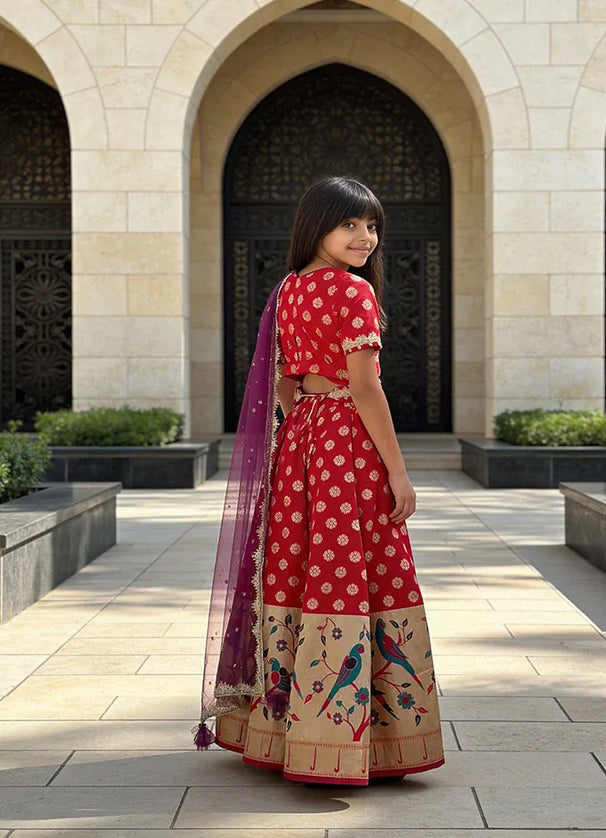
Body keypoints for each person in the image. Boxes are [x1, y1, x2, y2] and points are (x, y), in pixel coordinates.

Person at [195, 176, 444, 786]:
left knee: (300, 567)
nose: (366, 238)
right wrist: (398, 470)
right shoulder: (352, 292)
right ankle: (361, 740)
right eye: (351, 225)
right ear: (318, 227)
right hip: (347, 447)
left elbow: (282, 383)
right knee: (359, 567)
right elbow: (365, 386)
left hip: (302, 443)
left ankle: (281, 734)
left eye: (371, 226)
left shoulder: (288, 291)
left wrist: (308, 408)